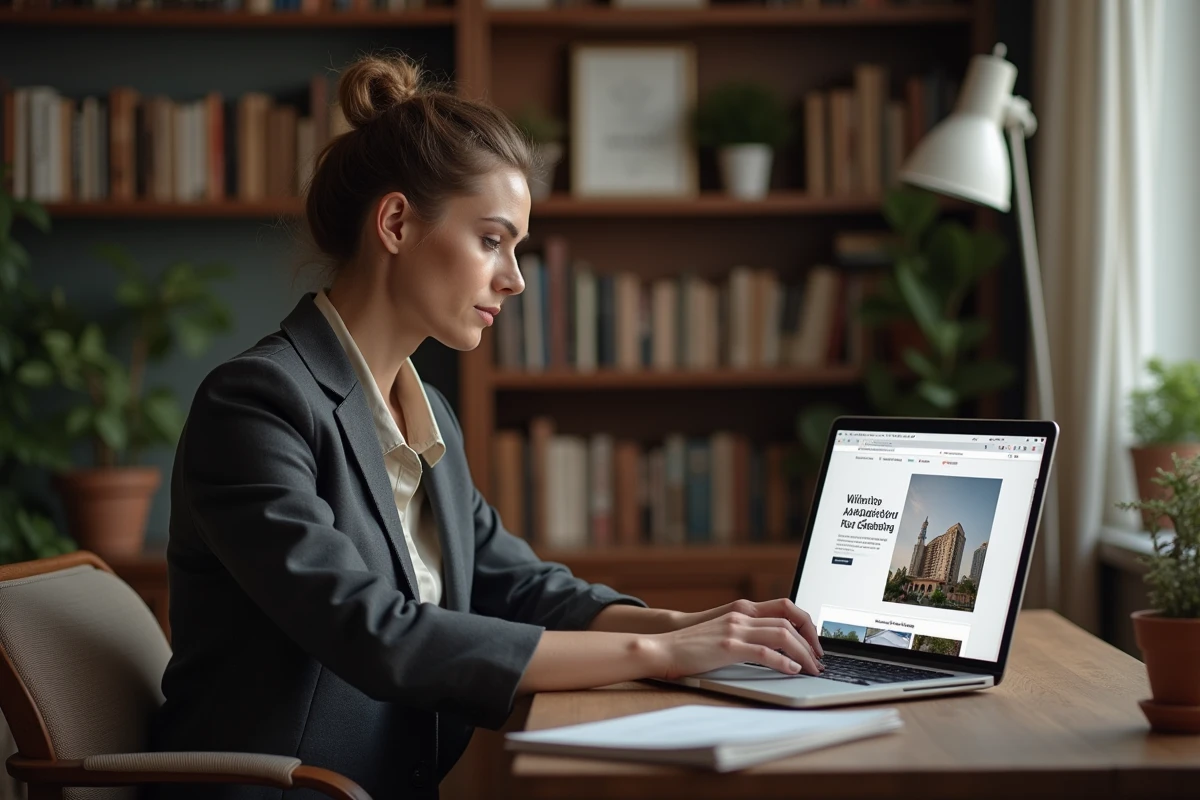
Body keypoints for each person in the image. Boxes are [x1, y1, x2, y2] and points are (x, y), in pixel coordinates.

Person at [149, 53, 825, 800]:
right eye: (492, 240)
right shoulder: (256, 404)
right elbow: (373, 631)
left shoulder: (428, 414)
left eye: (517, 248)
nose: (515, 279)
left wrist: (685, 624)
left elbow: (521, 587)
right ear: (396, 223)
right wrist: (658, 654)